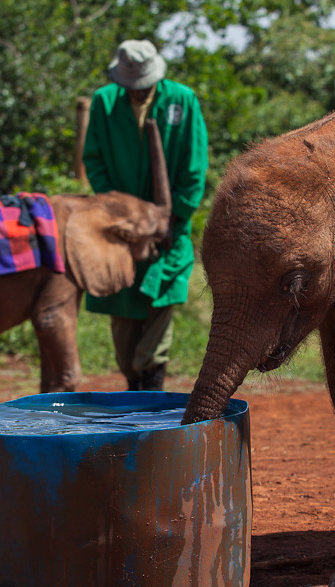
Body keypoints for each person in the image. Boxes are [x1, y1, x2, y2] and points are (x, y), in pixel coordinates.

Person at [82, 39, 208, 391]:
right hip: (119, 230)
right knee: (123, 320)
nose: (138, 93)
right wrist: (119, 214)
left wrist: (173, 218)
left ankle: (150, 389)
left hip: (170, 229)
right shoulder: (104, 102)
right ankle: (134, 381)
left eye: (143, 86)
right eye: (131, 87)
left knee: (159, 304)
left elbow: (194, 167)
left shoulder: (181, 100)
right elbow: (94, 160)